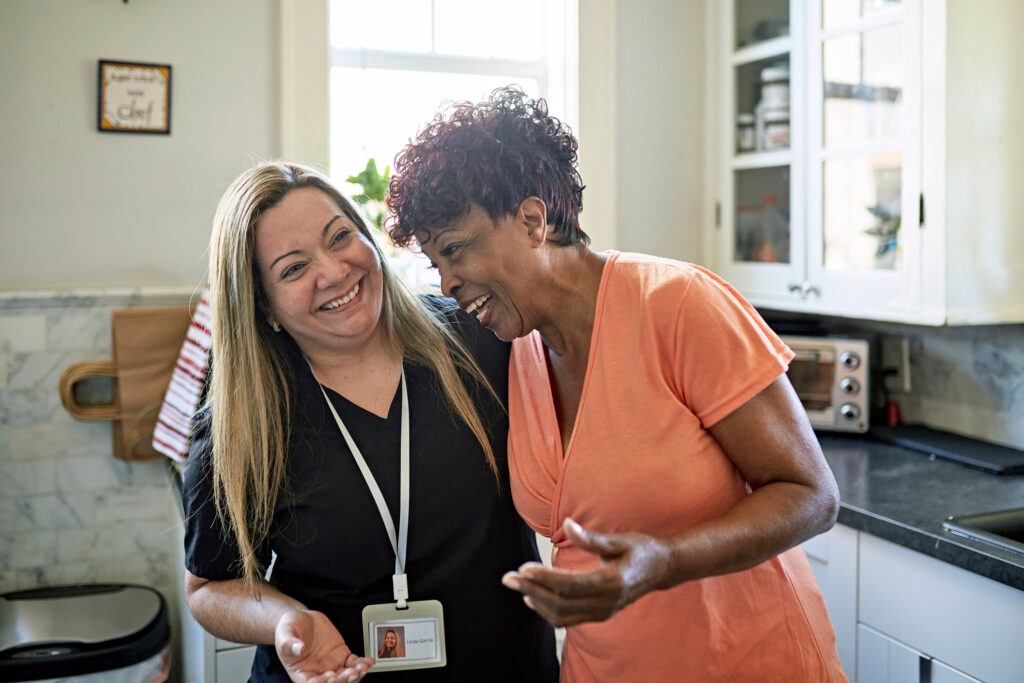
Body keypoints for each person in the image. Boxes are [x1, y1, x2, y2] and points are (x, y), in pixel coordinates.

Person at [386, 86, 847, 681]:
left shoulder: (677, 304)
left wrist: (663, 562)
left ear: (532, 220)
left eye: (455, 251)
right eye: (435, 264)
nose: (447, 284)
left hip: (749, 660)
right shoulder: (513, 348)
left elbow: (812, 495)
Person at [181, 161, 559, 682]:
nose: (334, 272)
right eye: (293, 269)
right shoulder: (243, 418)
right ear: (262, 305)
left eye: (341, 237)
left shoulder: (479, 340)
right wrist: (285, 619)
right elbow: (207, 588)